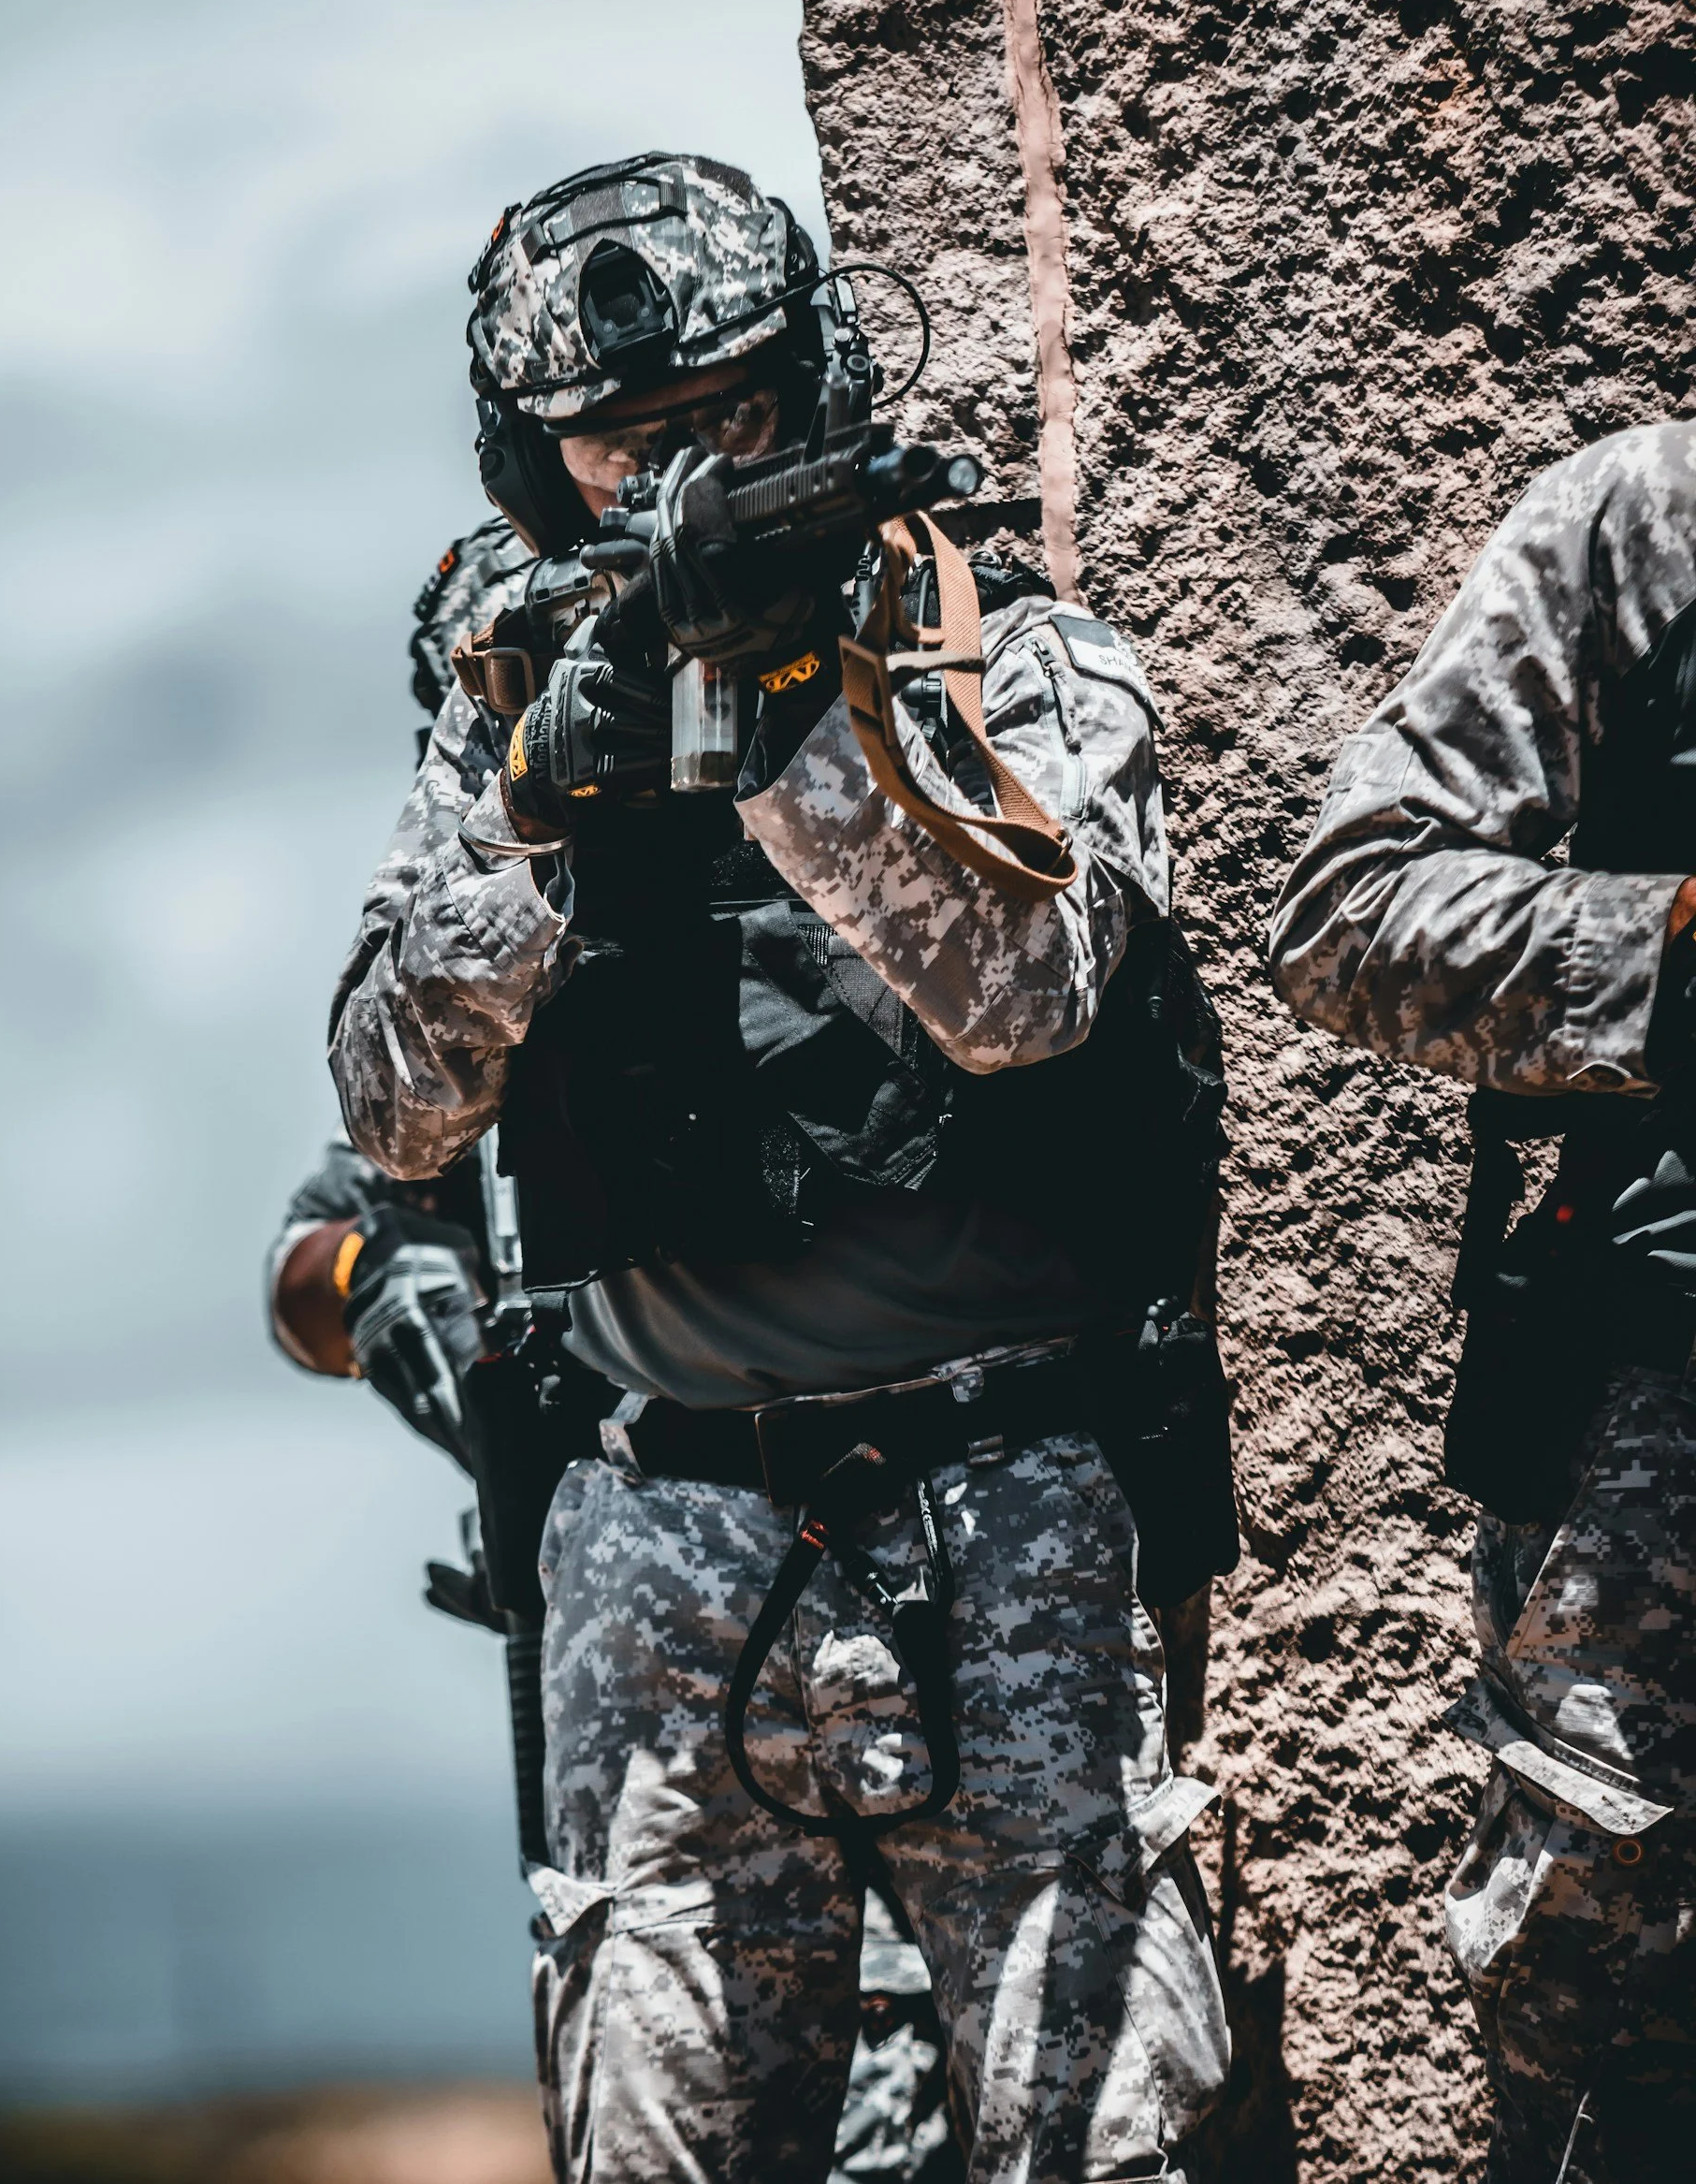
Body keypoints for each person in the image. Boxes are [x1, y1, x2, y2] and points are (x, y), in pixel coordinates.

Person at [328, 151, 1235, 2181]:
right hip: (657, 1539)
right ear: (529, 462)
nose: (667, 485)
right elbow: (391, 1106)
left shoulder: (1003, 657)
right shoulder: (506, 723)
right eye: (613, 447)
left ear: (809, 384)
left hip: (1008, 1502)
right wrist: (542, 819)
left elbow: (1030, 994)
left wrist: (795, 724)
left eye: (724, 419)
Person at [270, 499, 964, 2184]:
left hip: (889, 1572)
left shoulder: (789, 911)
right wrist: (401, 1303)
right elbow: (309, 1257)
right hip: (621, 1603)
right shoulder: (494, 969)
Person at [1268, 420, 1696, 2183]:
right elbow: (1348, 911)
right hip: (1661, 1445)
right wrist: (1671, 942)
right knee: (1613, 2089)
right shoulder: (1649, 520)